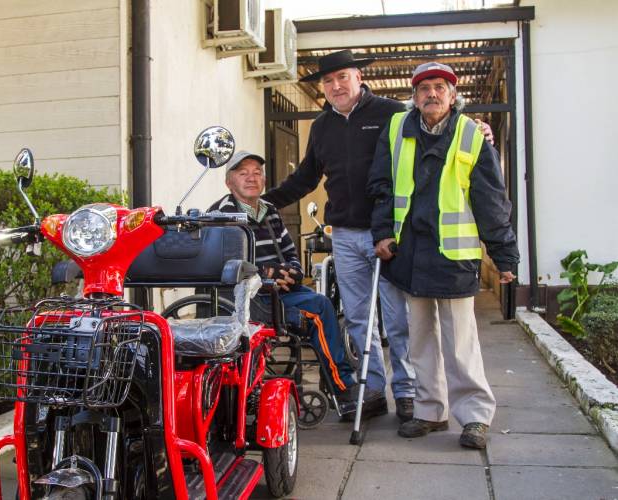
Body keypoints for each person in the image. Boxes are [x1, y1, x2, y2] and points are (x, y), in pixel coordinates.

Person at [368, 62, 519, 449]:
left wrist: (504, 255)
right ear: (414, 97)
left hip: (453, 255)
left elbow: (490, 199)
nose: (431, 94)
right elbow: (382, 185)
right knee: (420, 340)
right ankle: (430, 411)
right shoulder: (398, 128)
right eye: (423, 89)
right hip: (410, 253)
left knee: (460, 343)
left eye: (439, 87)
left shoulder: (471, 134)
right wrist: (383, 232)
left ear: (453, 95)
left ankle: (474, 417)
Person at [262, 50, 415, 422]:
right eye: (328, 81)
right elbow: (306, 178)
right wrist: (264, 201)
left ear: (358, 78)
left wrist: (480, 131)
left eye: (342, 77)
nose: (335, 86)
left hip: (388, 233)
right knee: (360, 319)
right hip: (344, 234)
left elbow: (431, 133)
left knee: (397, 318)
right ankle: (373, 390)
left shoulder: (392, 113)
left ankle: (408, 391)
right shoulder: (322, 127)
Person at [209, 150, 385, 414]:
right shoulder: (221, 214)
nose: (251, 178)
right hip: (247, 300)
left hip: (280, 294)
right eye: (242, 173)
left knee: (322, 303)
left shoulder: (269, 211)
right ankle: (344, 387)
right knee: (317, 312)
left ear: (264, 180)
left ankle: (342, 384)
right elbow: (221, 262)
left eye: (257, 172)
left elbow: (291, 253)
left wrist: (291, 271)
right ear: (229, 182)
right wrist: (266, 274)